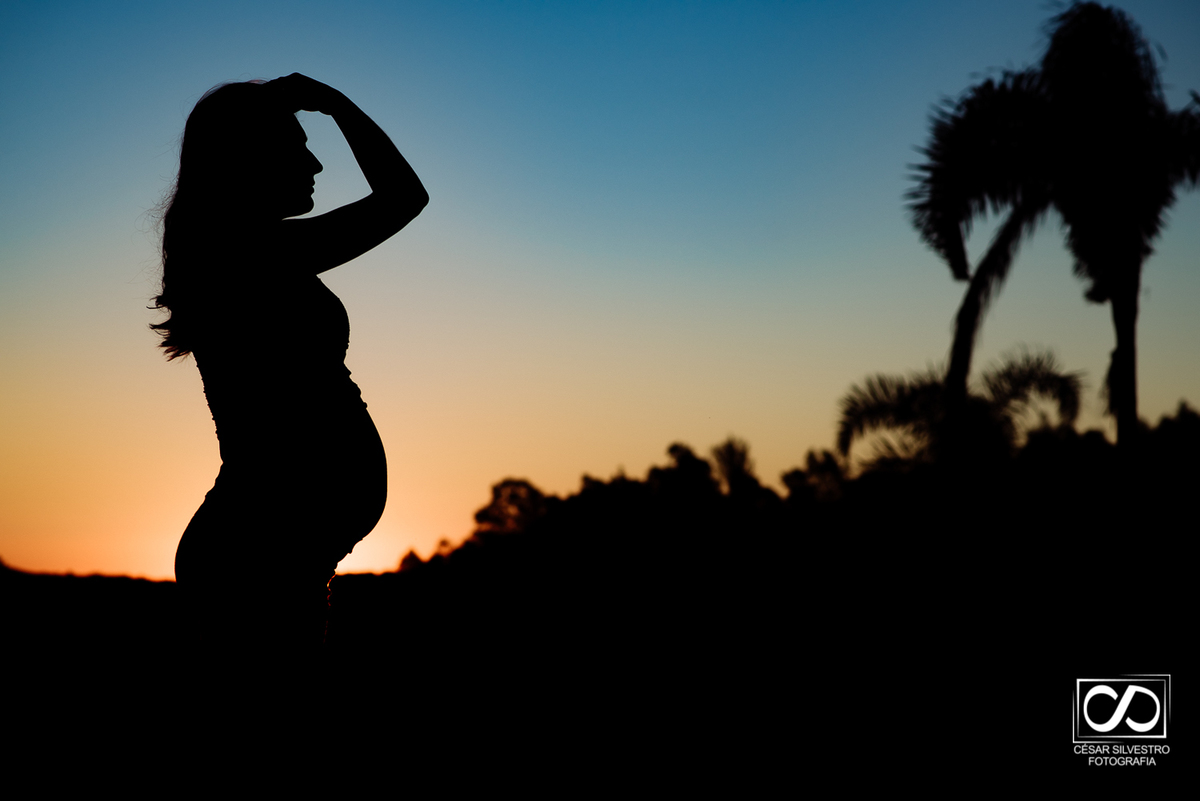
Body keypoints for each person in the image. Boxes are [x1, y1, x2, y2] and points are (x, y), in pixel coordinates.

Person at [152, 74, 428, 654]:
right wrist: (334, 103)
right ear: (250, 158)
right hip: (257, 551)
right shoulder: (247, 254)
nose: (317, 166)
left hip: (268, 548)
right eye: (299, 145)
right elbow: (404, 197)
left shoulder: (247, 249)